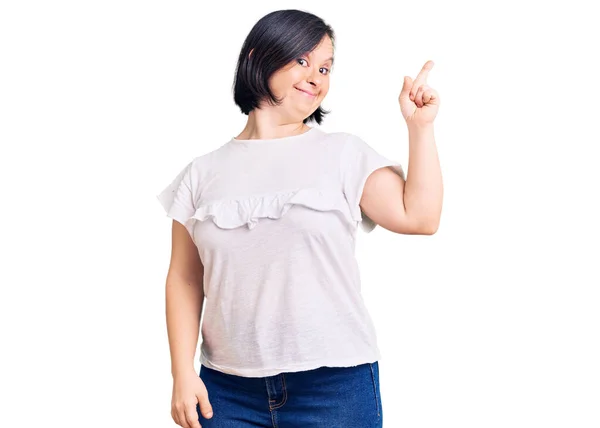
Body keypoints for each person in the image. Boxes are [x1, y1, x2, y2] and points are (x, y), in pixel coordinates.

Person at [157, 8, 442, 428]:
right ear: (259, 57)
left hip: (334, 388)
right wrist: (182, 372)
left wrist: (420, 128)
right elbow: (183, 278)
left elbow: (420, 217)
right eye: (303, 61)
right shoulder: (201, 173)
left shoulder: (343, 153)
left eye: (325, 67)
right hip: (227, 392)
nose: (316, 77)